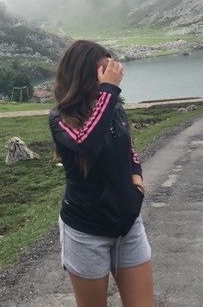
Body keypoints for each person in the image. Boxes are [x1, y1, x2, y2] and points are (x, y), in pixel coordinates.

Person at [49, 40, 154, 307]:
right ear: (83, 75)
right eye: (102, 70)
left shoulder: (114, 107)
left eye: (111, 69)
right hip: (86, 232)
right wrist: (109, 91)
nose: (110, 75)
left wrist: (136, 178)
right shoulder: (61, 118)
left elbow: (127, 145)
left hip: (127, 225)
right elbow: (88, 143)